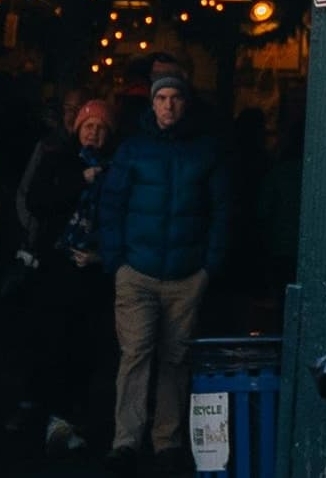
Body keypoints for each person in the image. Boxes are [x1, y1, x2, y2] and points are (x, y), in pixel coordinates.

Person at [92, 70, 231, 478]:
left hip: (186, 274)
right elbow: (112, 205)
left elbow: (222, 211)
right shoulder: (134, 149)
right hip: (138, 270)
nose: (168, 105)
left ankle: (166, 440)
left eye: (175, 98)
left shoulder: (206, 151)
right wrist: (117, 262)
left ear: (186, 103)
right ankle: (127, 441)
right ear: (151, 104)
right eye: (161, 98)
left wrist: (209, 267)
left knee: (175, 358)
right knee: (136, 354)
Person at [15, 93, 115, 451]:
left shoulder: (113, 170)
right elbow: (36, 201)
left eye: (101, 128)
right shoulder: (59, 160)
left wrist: (100, 255)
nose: (94, 134)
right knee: (50, 341)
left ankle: (70, 416)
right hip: (56, 267)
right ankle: (45, 415)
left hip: (90, 270)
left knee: (82, 347)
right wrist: (80, 181)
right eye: (89, 126)